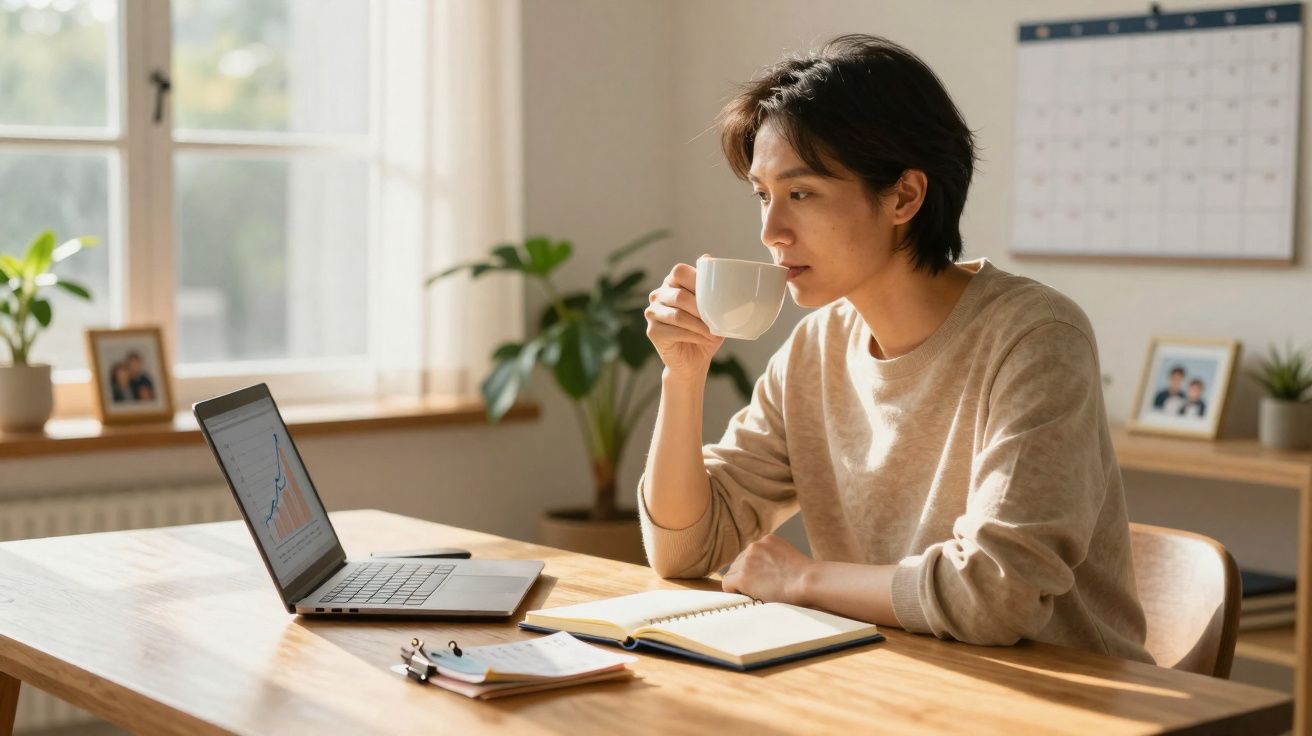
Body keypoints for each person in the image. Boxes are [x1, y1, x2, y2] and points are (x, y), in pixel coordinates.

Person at [640, 35, 1150, 663]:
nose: (771, 231)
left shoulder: (1034, 337)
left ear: (904, 197)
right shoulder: (815, 351)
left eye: (800, 193)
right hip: (901, 683)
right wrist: (682, 377)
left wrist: (803, 580)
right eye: (763, 196)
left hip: (1065, 700)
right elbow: (686, 549)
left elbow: (996, 594)